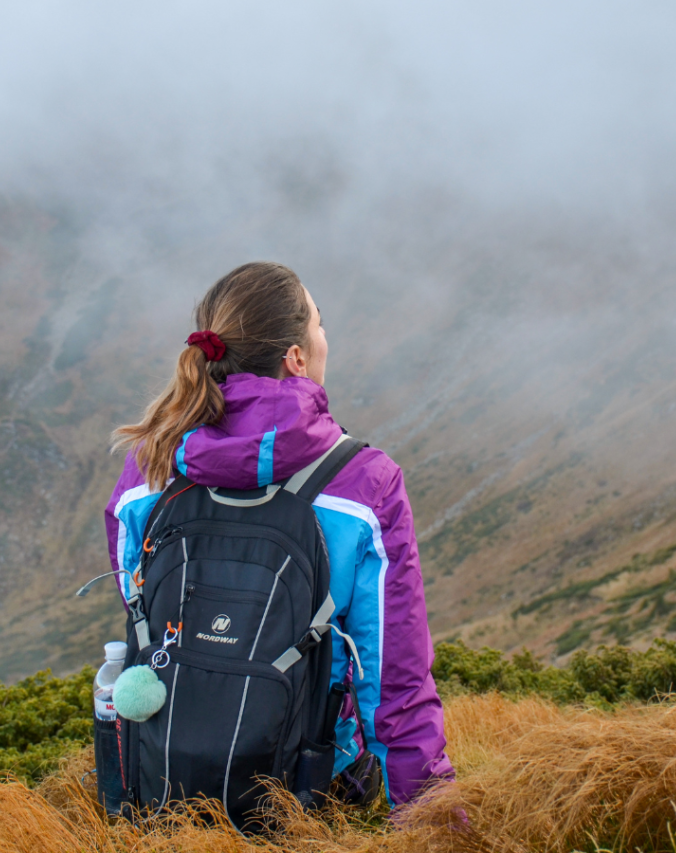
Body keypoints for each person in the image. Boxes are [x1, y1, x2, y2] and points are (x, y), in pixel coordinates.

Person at [103, 261, 452, 807]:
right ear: (296, 357)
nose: (324, 338)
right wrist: (432, 820)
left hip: (161, 778)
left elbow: (140, 606)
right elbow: (394, 682)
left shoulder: (147, 468)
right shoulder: (364, 483)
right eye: (320, 324)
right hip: (308, 791)